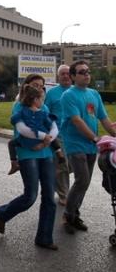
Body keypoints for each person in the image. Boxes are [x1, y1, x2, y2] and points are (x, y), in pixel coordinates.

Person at [0, 73, 58, 250]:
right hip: (27, 153)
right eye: (36, 85)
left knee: (49, 198)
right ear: (26, 86)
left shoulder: (43, 107)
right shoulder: (19, 106)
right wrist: (43, 137)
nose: (39, 88)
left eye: (42, 86)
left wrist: (48, 139)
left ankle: (44, 237)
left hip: (46, 154)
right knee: (30, 196)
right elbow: (23, 129)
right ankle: (3, 213)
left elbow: (52, 126)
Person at [60, 60, 116, 234]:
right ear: (73, 76)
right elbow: (77, 121)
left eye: (88, 71)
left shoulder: (94, 94)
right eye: (82, 71)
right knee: (81, 180)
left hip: (92, 146)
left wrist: (114, 136)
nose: (86, 74)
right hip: (75, 144)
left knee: (85, 182)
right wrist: (95, 137)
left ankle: (75, 215)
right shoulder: (68, 95)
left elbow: (104, 119)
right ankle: (68, 215)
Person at [7, 85, 65, 175]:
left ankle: (14, 162)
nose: (43, 102)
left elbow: (14, 119)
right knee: (51, 137)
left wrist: (13, 120)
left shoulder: (22, 110)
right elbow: (50, 124)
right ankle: (59, 152)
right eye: (42, 99)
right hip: (42, 137)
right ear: (36, 100)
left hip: (28, 139)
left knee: (11, 144)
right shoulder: (43, 113)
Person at [44, 65, 72, 206]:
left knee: (73, 165)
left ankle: (56, 180)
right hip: (58, 134)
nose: (66, 76)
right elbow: (45, 113)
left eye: (68, 73)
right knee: (63, 165)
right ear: (58, 76)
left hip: (75, 136)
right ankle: (63, 195)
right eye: (62, 74)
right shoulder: (52, 93)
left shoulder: (77, 92)